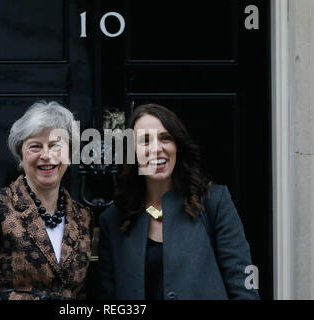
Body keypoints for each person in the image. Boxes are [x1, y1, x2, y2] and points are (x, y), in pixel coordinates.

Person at [98, 103, 260, 300]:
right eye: (145, 141)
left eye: (165, 138)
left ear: (177, 146)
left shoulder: (214, 203)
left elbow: (244, 287)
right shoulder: (113, 220)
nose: (157, 149)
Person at [0, 101, 93, 300]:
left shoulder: (83, 217)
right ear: (20, 156)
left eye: (55, 146)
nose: (46, 155)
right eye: (35, 146)